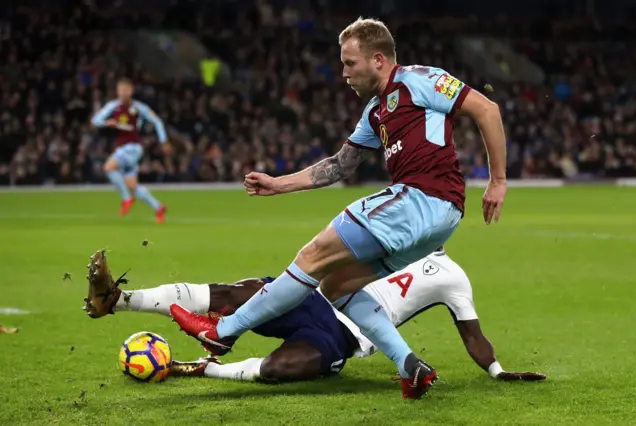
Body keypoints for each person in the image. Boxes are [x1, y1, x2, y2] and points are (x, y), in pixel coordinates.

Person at [171, 17, 508, 399]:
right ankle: (410, 366)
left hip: (421, 198)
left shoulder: (419, 79)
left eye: (350, 63)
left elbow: (488, 109)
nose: (344, 72)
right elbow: (340, 165)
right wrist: (277, 184)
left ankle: (222, 332)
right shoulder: (376, 111)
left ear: (378, 59)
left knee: (313, 255)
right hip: (438, 219)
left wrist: (497, 180)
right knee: (336, 286)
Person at [81, 249, 545, 391]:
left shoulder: (452, 277)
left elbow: (474, 336)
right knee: (233, 293)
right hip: (313, 300)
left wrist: (498, 371)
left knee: (286, 370)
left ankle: (199, 367)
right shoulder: (393, 230)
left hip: (345, 339)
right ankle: (118, 300)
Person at [91, 78, 169, 223]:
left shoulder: (139, 108)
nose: (123, 92)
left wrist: (163, 140)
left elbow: (157, 121)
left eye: (126, 89)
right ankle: (158, 207)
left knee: (108, 168)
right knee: (132, 185)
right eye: (120, 90)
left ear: (131, 90)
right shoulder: (113, 106)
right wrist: (108, 122)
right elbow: (95, 120)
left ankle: (126, 199)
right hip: (123, 147)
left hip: (133, 147)